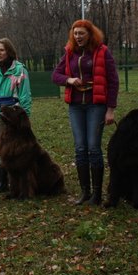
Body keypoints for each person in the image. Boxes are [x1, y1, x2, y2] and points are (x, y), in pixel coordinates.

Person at [52, 19, 119, 206]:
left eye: (81, 33)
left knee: (93, 148)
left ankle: (97, 194)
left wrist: (110, 110)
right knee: (80, 148)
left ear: (90, 34)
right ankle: (85, 192)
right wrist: (69, 80)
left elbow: (113, 81)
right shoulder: (69, 52)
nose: (77, 37)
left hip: (96, 105)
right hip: (75, 106)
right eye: (75, 33)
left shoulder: (102, 52)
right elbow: (55, 76)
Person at [0, 38, 32, 193]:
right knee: (1, 148)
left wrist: (25, 117)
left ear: (9, 51)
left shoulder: (20, 70)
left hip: (14, 116)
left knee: (17, 149)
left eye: (2, 50)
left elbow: (25, 95)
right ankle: (2, 182)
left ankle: (19, 182)